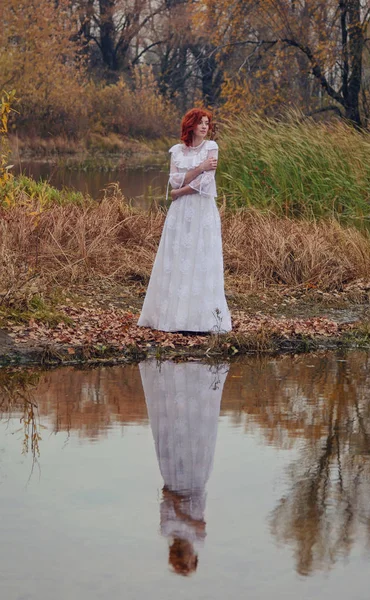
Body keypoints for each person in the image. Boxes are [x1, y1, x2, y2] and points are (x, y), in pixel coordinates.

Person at [137, 108, 232, 333]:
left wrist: (180, 192)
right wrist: (198, 168)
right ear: (190, 125)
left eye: (207, 123)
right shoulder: (177, 151)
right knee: (178, 258)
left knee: (201, 257)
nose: (204, 127)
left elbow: (206, 183)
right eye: (200, 122)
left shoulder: (211, 147)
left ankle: (201, 319)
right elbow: (174, 182)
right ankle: (172, 317)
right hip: (180, 213)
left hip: (202, 210)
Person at [139, 360, 229, 576]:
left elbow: (166, 494)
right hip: (196, 481)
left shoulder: (166, 530)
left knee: (176, 438)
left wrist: (181, 510)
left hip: (175, 480)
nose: (192, 556)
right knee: (197, 439)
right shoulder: (197, 536)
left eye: (188, 560)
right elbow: (198, 523)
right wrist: (182, 512)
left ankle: (179, 386)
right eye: (192, 560)